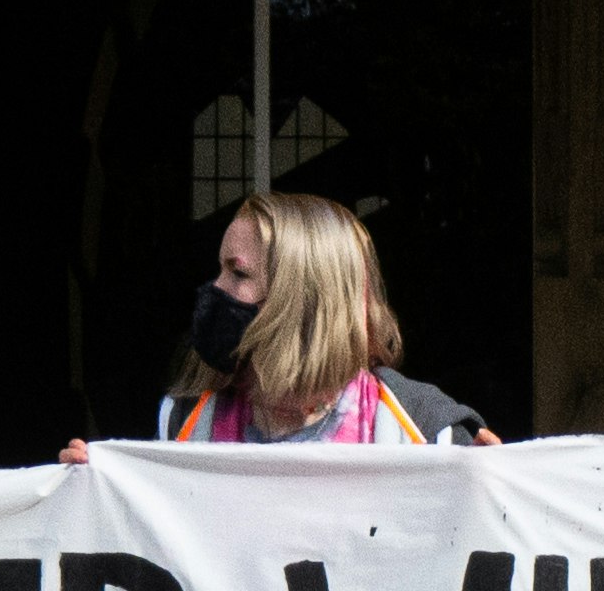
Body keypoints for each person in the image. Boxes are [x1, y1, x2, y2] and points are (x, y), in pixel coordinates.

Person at [58, 191, 497, 458]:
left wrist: (492, 498)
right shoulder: (186, 423)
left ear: (301, 300)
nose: (216, 288)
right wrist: (89, 494)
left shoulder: (423, 430)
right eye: (220, 270)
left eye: (239, 273)